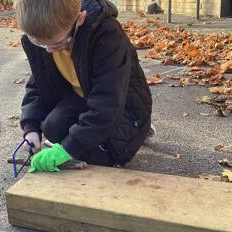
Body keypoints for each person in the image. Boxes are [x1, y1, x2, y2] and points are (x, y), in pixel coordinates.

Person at [14, 0, 153, 172]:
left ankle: (139, 130)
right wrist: (31, 129)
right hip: (83, 96)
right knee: (52, 127)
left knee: (102, 158)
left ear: (80, 19)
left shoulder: (107, 36)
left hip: (123, 105)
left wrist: (68, 149)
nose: (49, 50)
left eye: (57, 43)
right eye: (40, 43)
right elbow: (38, 86)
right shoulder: (44, 34)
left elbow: (107, 103)